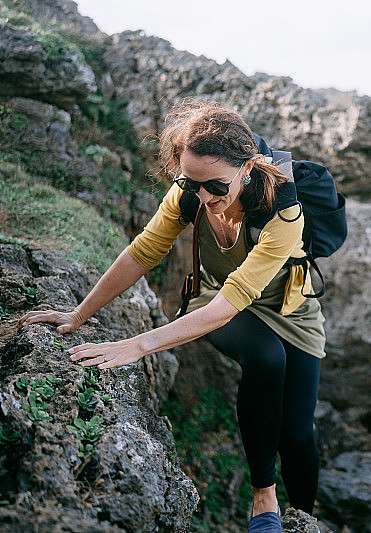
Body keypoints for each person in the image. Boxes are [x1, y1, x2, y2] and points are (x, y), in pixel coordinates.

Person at [16, 99, 326, 533]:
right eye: (190, 181)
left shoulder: (283, 209)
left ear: (248, 167)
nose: (203, 196)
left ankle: (305, 521)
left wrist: (139, 345)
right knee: (266, 359)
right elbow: (143, 252)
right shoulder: (188, 193)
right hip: (214, 297)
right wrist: (78, 313)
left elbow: (236, 299)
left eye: (215, 187)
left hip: (290, 309)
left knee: (299, 434)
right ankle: (263, 495)